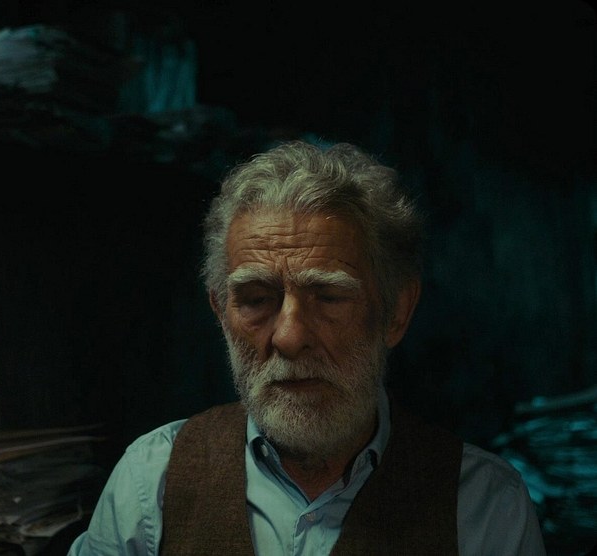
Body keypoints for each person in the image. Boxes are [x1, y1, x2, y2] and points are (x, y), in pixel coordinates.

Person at [66, 139, 546, 555]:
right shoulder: (150, 483)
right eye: (257, 299)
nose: (290, 337)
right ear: (220, 313)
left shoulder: (484, 506)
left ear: (396, 313)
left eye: (329, 297)